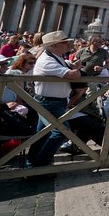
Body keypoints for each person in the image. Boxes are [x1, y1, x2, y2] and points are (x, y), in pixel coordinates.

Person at [28, 30, 83, 167]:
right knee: (61, 133)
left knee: (42, 134)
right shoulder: (46, 61)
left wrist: (72, 65)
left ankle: (31, 162)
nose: (68, 44)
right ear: (53, 46)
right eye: (64, 42)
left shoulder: (54, 56)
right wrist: (78, 69)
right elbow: (72, 75)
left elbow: (64, 65)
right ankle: (39, 166)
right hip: (49, 102)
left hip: (54, 101)